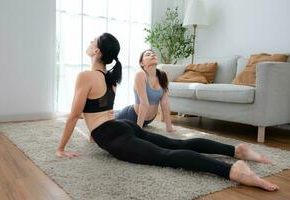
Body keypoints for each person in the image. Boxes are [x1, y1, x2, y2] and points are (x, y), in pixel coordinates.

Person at [56, 32, 279, 192]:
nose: (89, 43)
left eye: (92, 41)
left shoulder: (86, 76)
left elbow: (76, 115)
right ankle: (235, 150)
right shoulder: (110, 79)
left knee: (166, 156)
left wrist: (61, 148)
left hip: (111, 133)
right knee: (177, 145)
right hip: (123, 126)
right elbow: (100, 111)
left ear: (96, 51)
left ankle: (232, 170)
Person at [115, 49, 175, 132]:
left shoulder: (163, 75)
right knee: (109, 122)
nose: (152, 55)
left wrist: (169, 128)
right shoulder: (140, 74)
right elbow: (144, 103)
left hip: (148, 120)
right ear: (142, 63)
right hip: (131, 116)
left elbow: (165, 103)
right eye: (148, 54)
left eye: (154, 54)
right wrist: (139, 130)